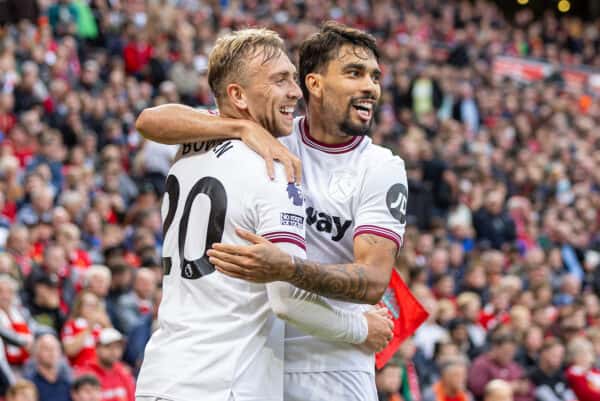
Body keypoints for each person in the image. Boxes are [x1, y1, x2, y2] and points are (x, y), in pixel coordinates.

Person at [136, 21, 410, 401]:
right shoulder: (271, 153)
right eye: (354, 73)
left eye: (374, 77)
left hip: (326, 366)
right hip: (243, 370)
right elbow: (149, 120)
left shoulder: (379, 166)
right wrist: (242, 128)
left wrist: (287, 268)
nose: (370, 87)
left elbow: (374, 280)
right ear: (316, 83)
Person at [76, 328, 135, 401]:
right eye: (108, 346)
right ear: (97, 347)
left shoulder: (124, 372)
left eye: (118, 347)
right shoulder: (85, 373)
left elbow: (132, 398)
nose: (114, 351)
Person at [23, 333, 72, 401]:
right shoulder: (29, 384)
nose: (52, 352)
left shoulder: (67, 382)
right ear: (36, 353)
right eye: (46, 348)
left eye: (55, 348)